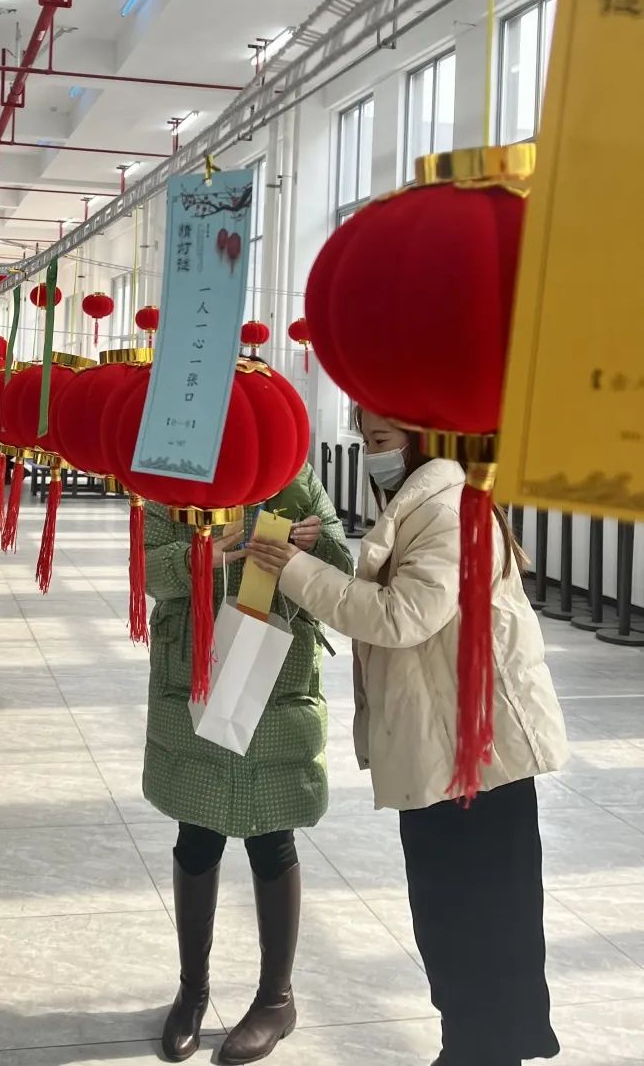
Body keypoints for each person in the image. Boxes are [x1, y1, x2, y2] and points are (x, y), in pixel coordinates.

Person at [245, 412, 568, 1066]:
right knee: (456, 922)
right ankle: (472, 1047)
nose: (372, 454)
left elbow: (401, 616)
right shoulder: (423, 498)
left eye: (381, 441)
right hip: (447, 745)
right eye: (366, 440)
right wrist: (318, 555)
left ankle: (483, 1051)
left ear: (425, 437)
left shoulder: (446, 505)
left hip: (477, 756)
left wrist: (294, 568)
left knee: (477, 924)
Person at [144, 460, 352, 1065]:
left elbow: (343, 564)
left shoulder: (293, 473)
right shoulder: (175, 470)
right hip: (197, 666)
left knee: (272, 835)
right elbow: (147, 568)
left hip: (275, 675)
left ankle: (276, 999)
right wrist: (199, 560)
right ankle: (192, 992)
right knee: (197, 833)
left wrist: (313, 546)